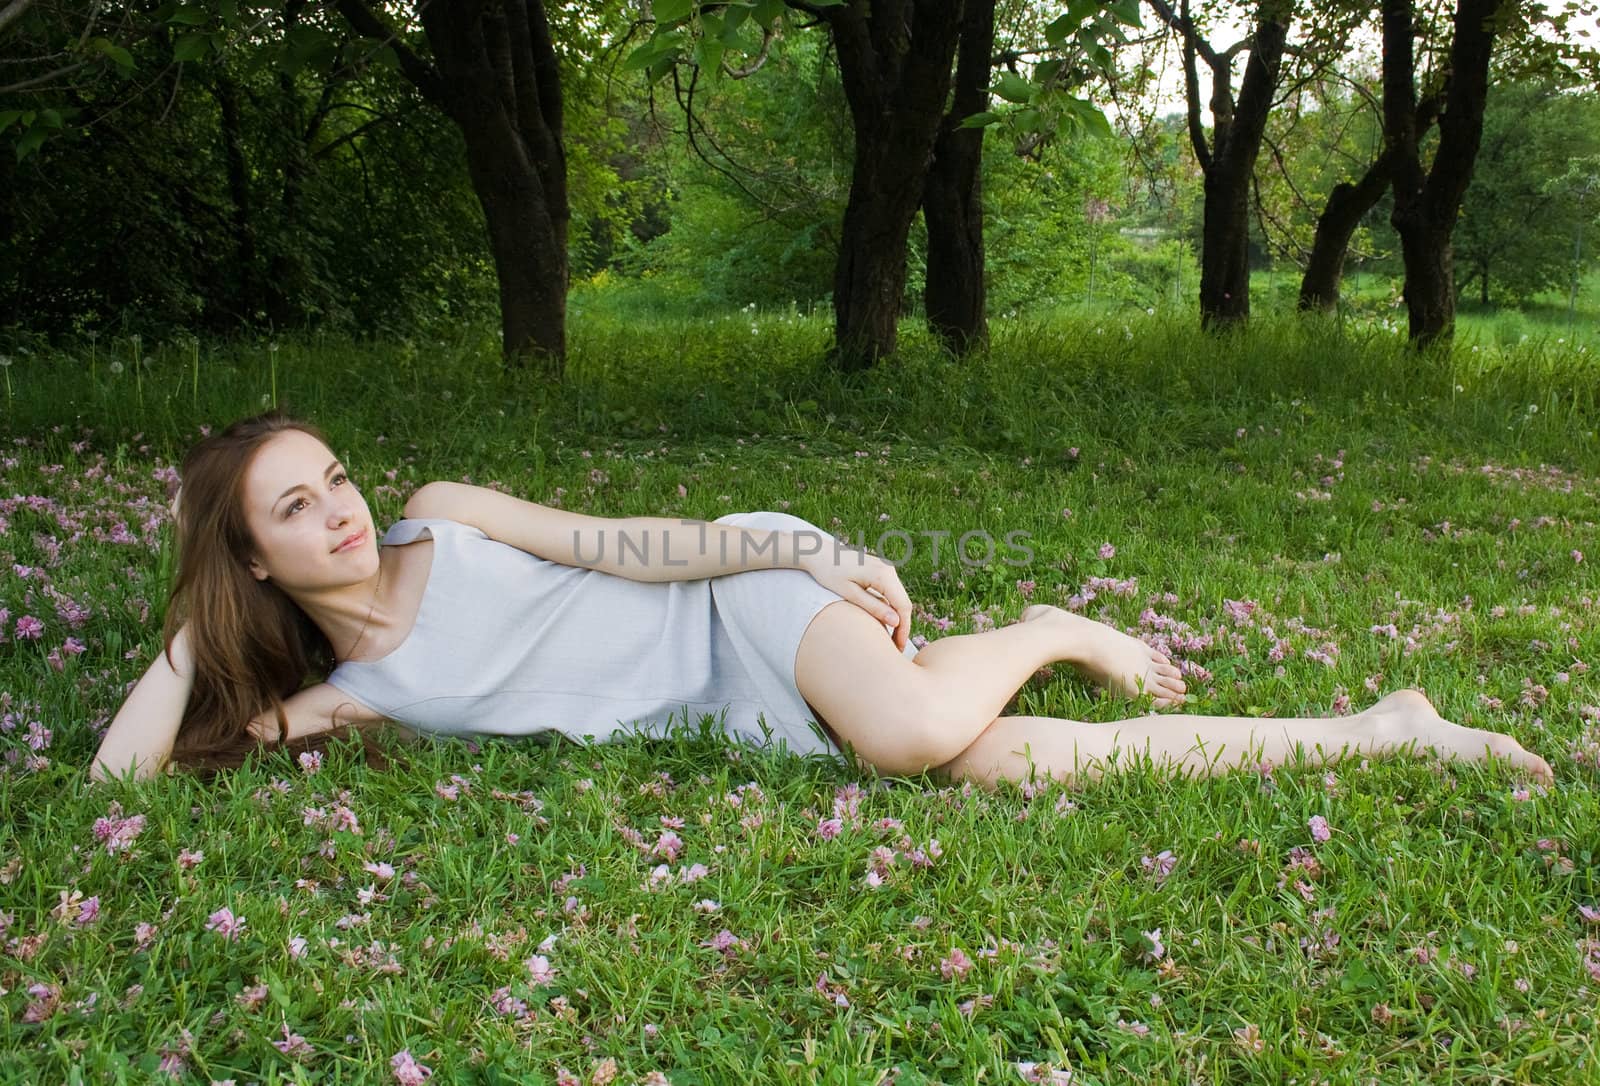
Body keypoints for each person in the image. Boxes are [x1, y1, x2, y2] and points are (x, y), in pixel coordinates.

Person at [90, 410, 1554, 790]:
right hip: (726, 713)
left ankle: (1047, 626)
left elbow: (628, 544)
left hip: (734, 600)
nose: (342, 506)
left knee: (916, 732)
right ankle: (1381, 728)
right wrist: (184, 626)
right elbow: (123, 773)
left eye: (332, 474)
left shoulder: (449, 516)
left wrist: (786, 555)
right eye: (296, 507)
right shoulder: (345, 696)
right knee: (999, 766)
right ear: (254, 563)